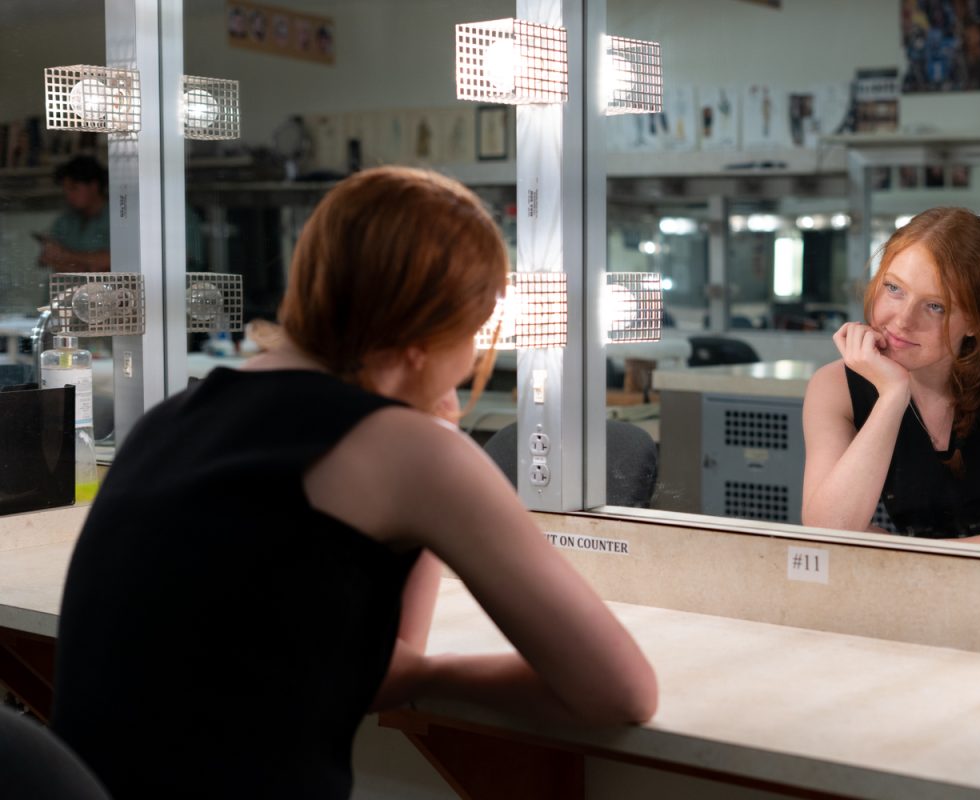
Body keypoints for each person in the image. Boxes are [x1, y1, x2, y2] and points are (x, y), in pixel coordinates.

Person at [51, 167, 657, 798]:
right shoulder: (409, 451)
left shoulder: (169, 420)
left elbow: (381, 665)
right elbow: (620, 691)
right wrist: (439, 675)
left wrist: (414, 668)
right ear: (426, 337)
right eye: (478, 329)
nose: (478, 355)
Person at [801, 207, 980, 551]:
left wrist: (916, 563)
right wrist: (892, 395)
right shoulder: (835, 387)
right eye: (894, 288)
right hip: (924, 590)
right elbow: (828, 531)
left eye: (935, 306)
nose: (903, 320)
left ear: (977, 322)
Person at [38, 155, 111, 274]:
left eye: (74, 188)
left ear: (93, 186)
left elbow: (113, 261)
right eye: (65, 189)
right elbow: (45, 258)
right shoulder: (65, 220)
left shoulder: (117, 218)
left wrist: (65, 255)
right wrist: (90, 264)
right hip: (62, 291)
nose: (68, 195)